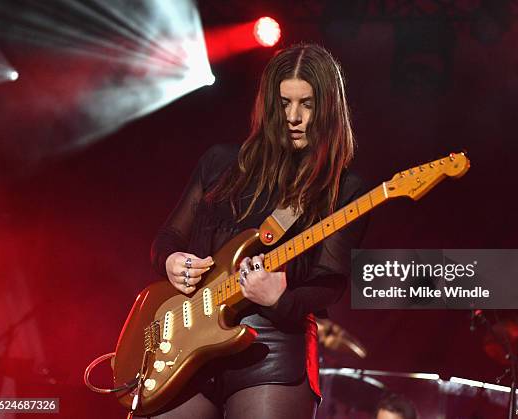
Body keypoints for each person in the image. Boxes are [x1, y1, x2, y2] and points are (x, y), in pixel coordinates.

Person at [148, 43, 369, 418]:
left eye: (308, 104)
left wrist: (278, 299)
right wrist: (171, 260)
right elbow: (167, 239)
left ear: (328, 109)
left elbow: (330, 283)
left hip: (271, 347)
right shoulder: (219, 163)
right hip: (189, 338)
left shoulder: (341, 190)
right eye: (284, 103)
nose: (294, 117)